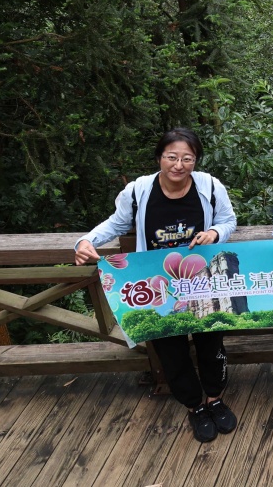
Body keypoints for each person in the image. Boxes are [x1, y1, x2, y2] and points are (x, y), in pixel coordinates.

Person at [74, 128, 238, 443]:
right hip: (156, 285)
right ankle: (194, 406)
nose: (179, 165)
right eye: (172, 157)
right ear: (159, 158)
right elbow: (117, 223)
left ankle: (214, 398)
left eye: (187, 158)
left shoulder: (210, 187)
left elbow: (228, 220)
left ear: (195, 160)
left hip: (201, 280)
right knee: (171, 351)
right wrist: (85, 241)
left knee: (211, 343)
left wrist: (216, 233)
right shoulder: (138, 191)